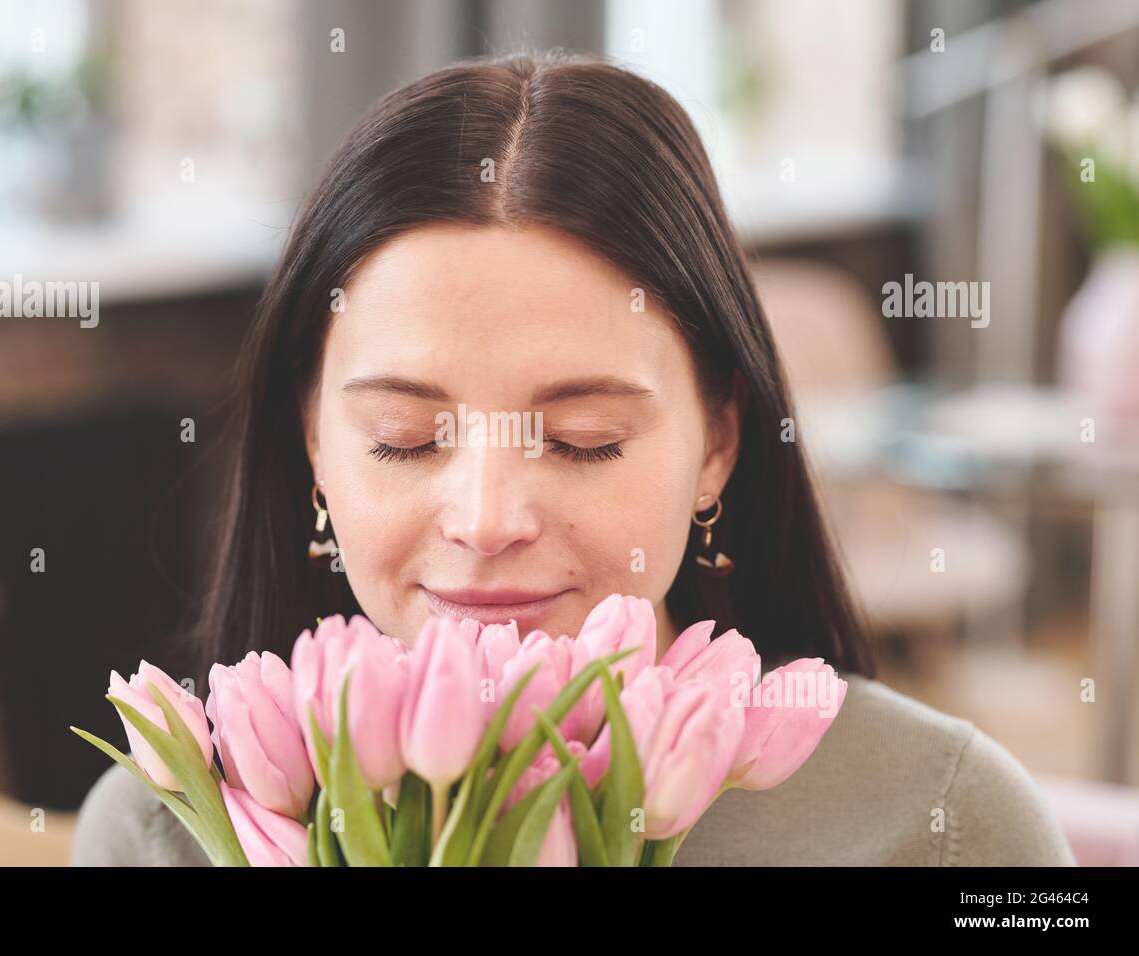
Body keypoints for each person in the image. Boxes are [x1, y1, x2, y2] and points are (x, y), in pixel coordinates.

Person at [72, 51, 1075, 867]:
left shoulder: (942, 826)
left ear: (718, 441)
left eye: (582, 440)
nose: (486, 514)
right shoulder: (169, 824)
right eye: (405, 439)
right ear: (312, 445)